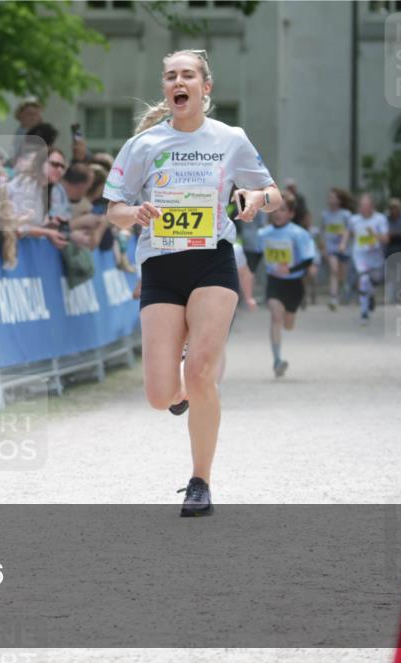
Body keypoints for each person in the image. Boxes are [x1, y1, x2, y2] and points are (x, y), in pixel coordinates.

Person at [104, 49, 282, 517]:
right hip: (161, 266)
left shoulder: (230, 138)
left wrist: (254, 198)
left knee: (202, 370)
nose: (178, 82)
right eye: (170, 76)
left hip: (212, 262)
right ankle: (181, 392)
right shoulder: (143, 145)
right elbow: (114, 210)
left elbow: (274, 194)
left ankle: (200, 481)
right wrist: (135, 213)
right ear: (165, 88)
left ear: (206, 87)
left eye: (187, 75)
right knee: (159, 395)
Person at [257, 193, 317, 377]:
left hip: (294, 284)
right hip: (274, 282)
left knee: (288, 325)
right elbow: (255, 256)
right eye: (274, 209)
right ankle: (277, 361)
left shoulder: (298, 234)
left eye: (282, 209)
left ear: (291, 213)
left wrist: (289, 270)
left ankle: (290, 316)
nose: (277, 213)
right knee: (276, 316)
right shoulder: (263, 234)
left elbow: (308, 260)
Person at [341, 193, 389, 324]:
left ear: (372, 206)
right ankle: (364, 312)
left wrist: (375, 236)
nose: (362, 208)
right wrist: (343, 243)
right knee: (363, 279)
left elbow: (386, 239)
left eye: (365, 206)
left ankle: (370, 295)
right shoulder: (354, 219)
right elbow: (348, 231)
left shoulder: (380, 219)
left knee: (373, 281)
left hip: (375, 257)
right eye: (361, 206)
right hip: (360, 256)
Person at [320, 187, 354, 311]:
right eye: (330, 197)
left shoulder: (346, 214)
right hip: (331, 248)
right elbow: (323, 232)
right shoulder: (325, 215)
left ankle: (343, 287)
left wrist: (343, 242)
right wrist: (323, 248)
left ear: (339, 200)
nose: (331, 200)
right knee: (334, 270)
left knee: (341, 275)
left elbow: (349, 231)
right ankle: (333, 298)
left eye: (333, 197)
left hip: (343, 248)